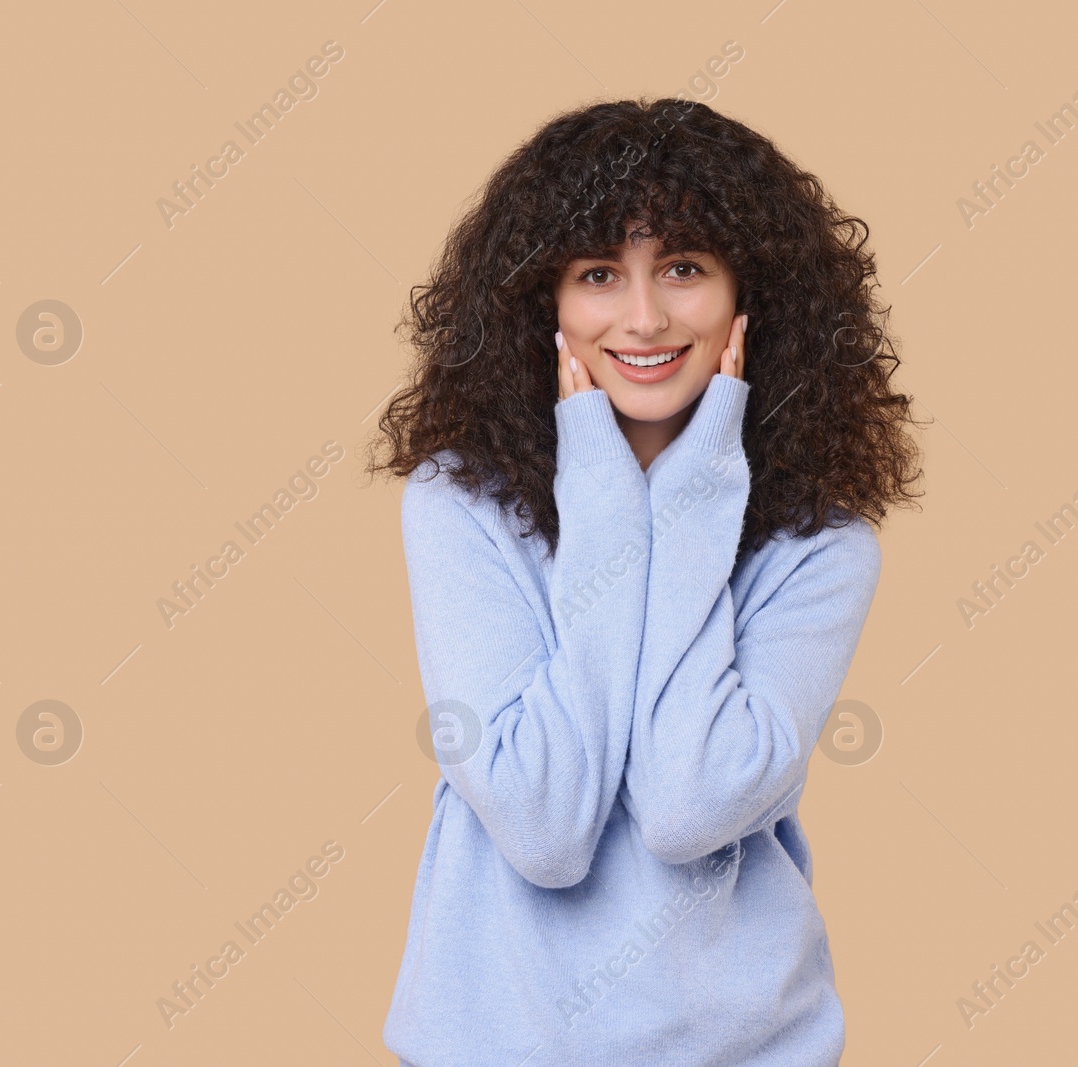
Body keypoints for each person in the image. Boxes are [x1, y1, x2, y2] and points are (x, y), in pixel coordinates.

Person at [367, 96, 925, 1066]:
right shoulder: (460, 504)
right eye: (597, 273)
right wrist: (603, 493)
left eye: (682, 267)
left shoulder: (818, 545)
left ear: (751, 293)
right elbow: (541, 824)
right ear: (541, 300)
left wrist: (697, 497)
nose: (643, 316)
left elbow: (687, 802)